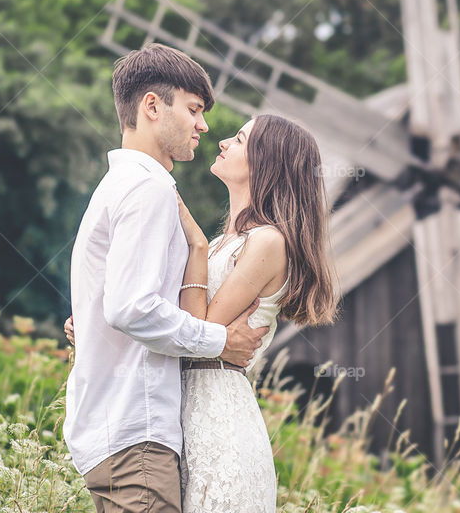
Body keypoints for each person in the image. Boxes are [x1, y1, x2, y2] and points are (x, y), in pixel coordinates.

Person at [66, 113, 340, 512]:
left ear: (267, 162)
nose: (223, 141)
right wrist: (96, 326)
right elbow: (160, 318)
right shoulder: (222, 244)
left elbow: (198, 331)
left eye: (241, 139)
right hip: (181, 416)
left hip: (219, 424)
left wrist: (194, 244)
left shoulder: (267, 242)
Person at [62, 43, 269, 513]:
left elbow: (112, 303)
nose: (204, 125)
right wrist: (219, 341)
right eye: (194, 109)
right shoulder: (147, 187)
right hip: (136, 433)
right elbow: (129, 308)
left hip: (117, 430)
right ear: (152, 106)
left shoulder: (120, 185)